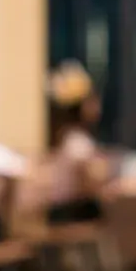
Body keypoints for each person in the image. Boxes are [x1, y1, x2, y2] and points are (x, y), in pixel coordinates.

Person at [46, 60, 103, 225]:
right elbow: (91, 181)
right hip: (70, 212)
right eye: (93, 100)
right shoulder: (77, 142)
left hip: (63, 210)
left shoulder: (67, 138)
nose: (98, 107)